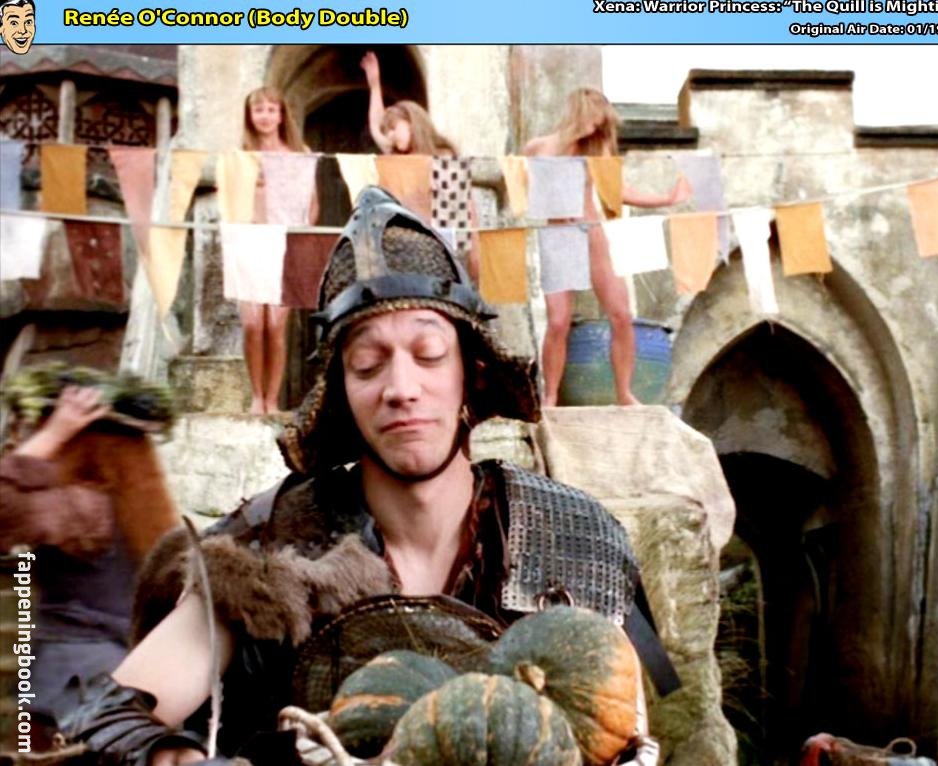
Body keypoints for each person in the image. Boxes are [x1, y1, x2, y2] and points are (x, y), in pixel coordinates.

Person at [59, 189, 679, 765]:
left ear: (471, 374)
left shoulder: (571, 536)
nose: (401, 388)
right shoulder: (272, 548)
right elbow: (107, 720)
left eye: (429, 355)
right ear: (342, 396)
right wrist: (177, 758)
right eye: (367, 364)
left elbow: (621, 737)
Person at [0, 376, 181, 750]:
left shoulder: (83, 508)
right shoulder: (140, 513)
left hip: (68, 684)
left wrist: (52, 434)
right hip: (123, 677)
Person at [524, 87, 692, 407]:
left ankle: (624, 393)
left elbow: (618, 191)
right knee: (558, 321)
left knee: (621, 313)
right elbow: (519, 187)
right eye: (594, 120)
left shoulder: (595, 150)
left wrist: (666, 198)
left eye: (602, 123)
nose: (597, 128)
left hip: (592, 234)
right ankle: (551, 395)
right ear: (580, 112)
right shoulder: (538, 147)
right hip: (557, 237)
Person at [360, 50, 480, 280]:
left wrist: (472, 259)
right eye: (388, 132)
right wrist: (374, 86)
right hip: (403, 249)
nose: (391, 136)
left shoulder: (442, 156)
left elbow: (461, 214)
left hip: (439, 250)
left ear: (412, 122)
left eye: (394, 128)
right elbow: (377, 128)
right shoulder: (398, 161)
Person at [238, 86, 318, 415]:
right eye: (259, 110)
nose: (265, 116)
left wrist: (301, 239)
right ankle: (256, 396)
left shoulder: (299, 153)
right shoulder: (242, 156)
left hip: (285, 244)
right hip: (249, 241)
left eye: (272, 109)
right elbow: (228, 199)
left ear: (281, 115)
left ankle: (271, 399)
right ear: (250, 116)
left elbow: (312, 204)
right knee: (253, 324)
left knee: (275, 325)